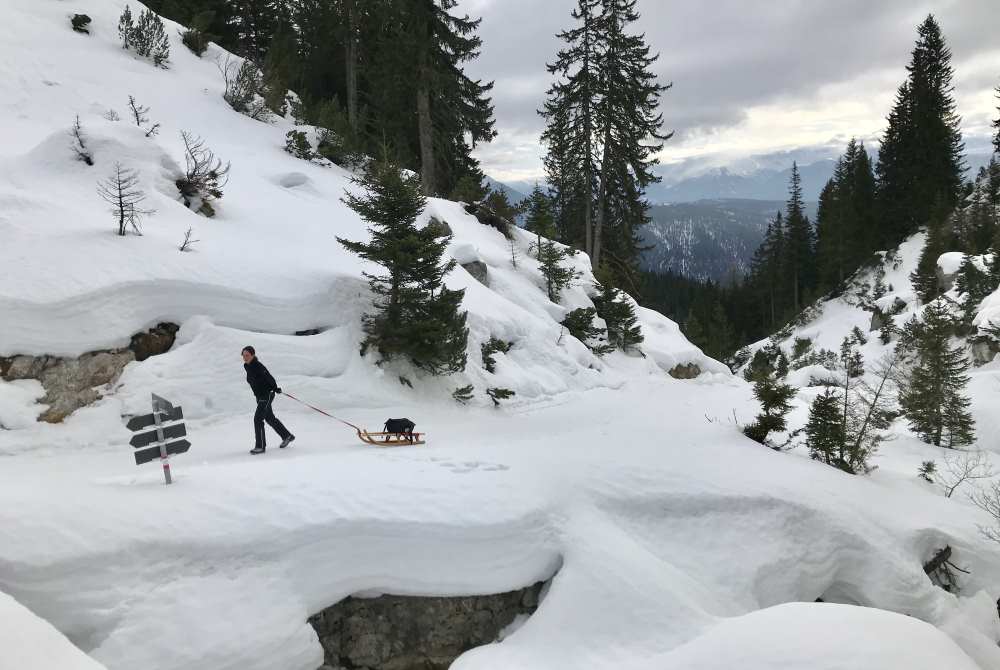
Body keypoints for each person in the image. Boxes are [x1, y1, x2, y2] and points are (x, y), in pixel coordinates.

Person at [242, 346, 294, 454]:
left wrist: (275, 387)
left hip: (266, 395)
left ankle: (260, 446)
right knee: (269, 418)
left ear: (252, 355)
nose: (245, 357)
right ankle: (287, 436)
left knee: (258, 419)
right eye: (243, 355)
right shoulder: (248, 366)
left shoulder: (257, 366)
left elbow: (268, 377)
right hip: (260, 396)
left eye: (247, 355)